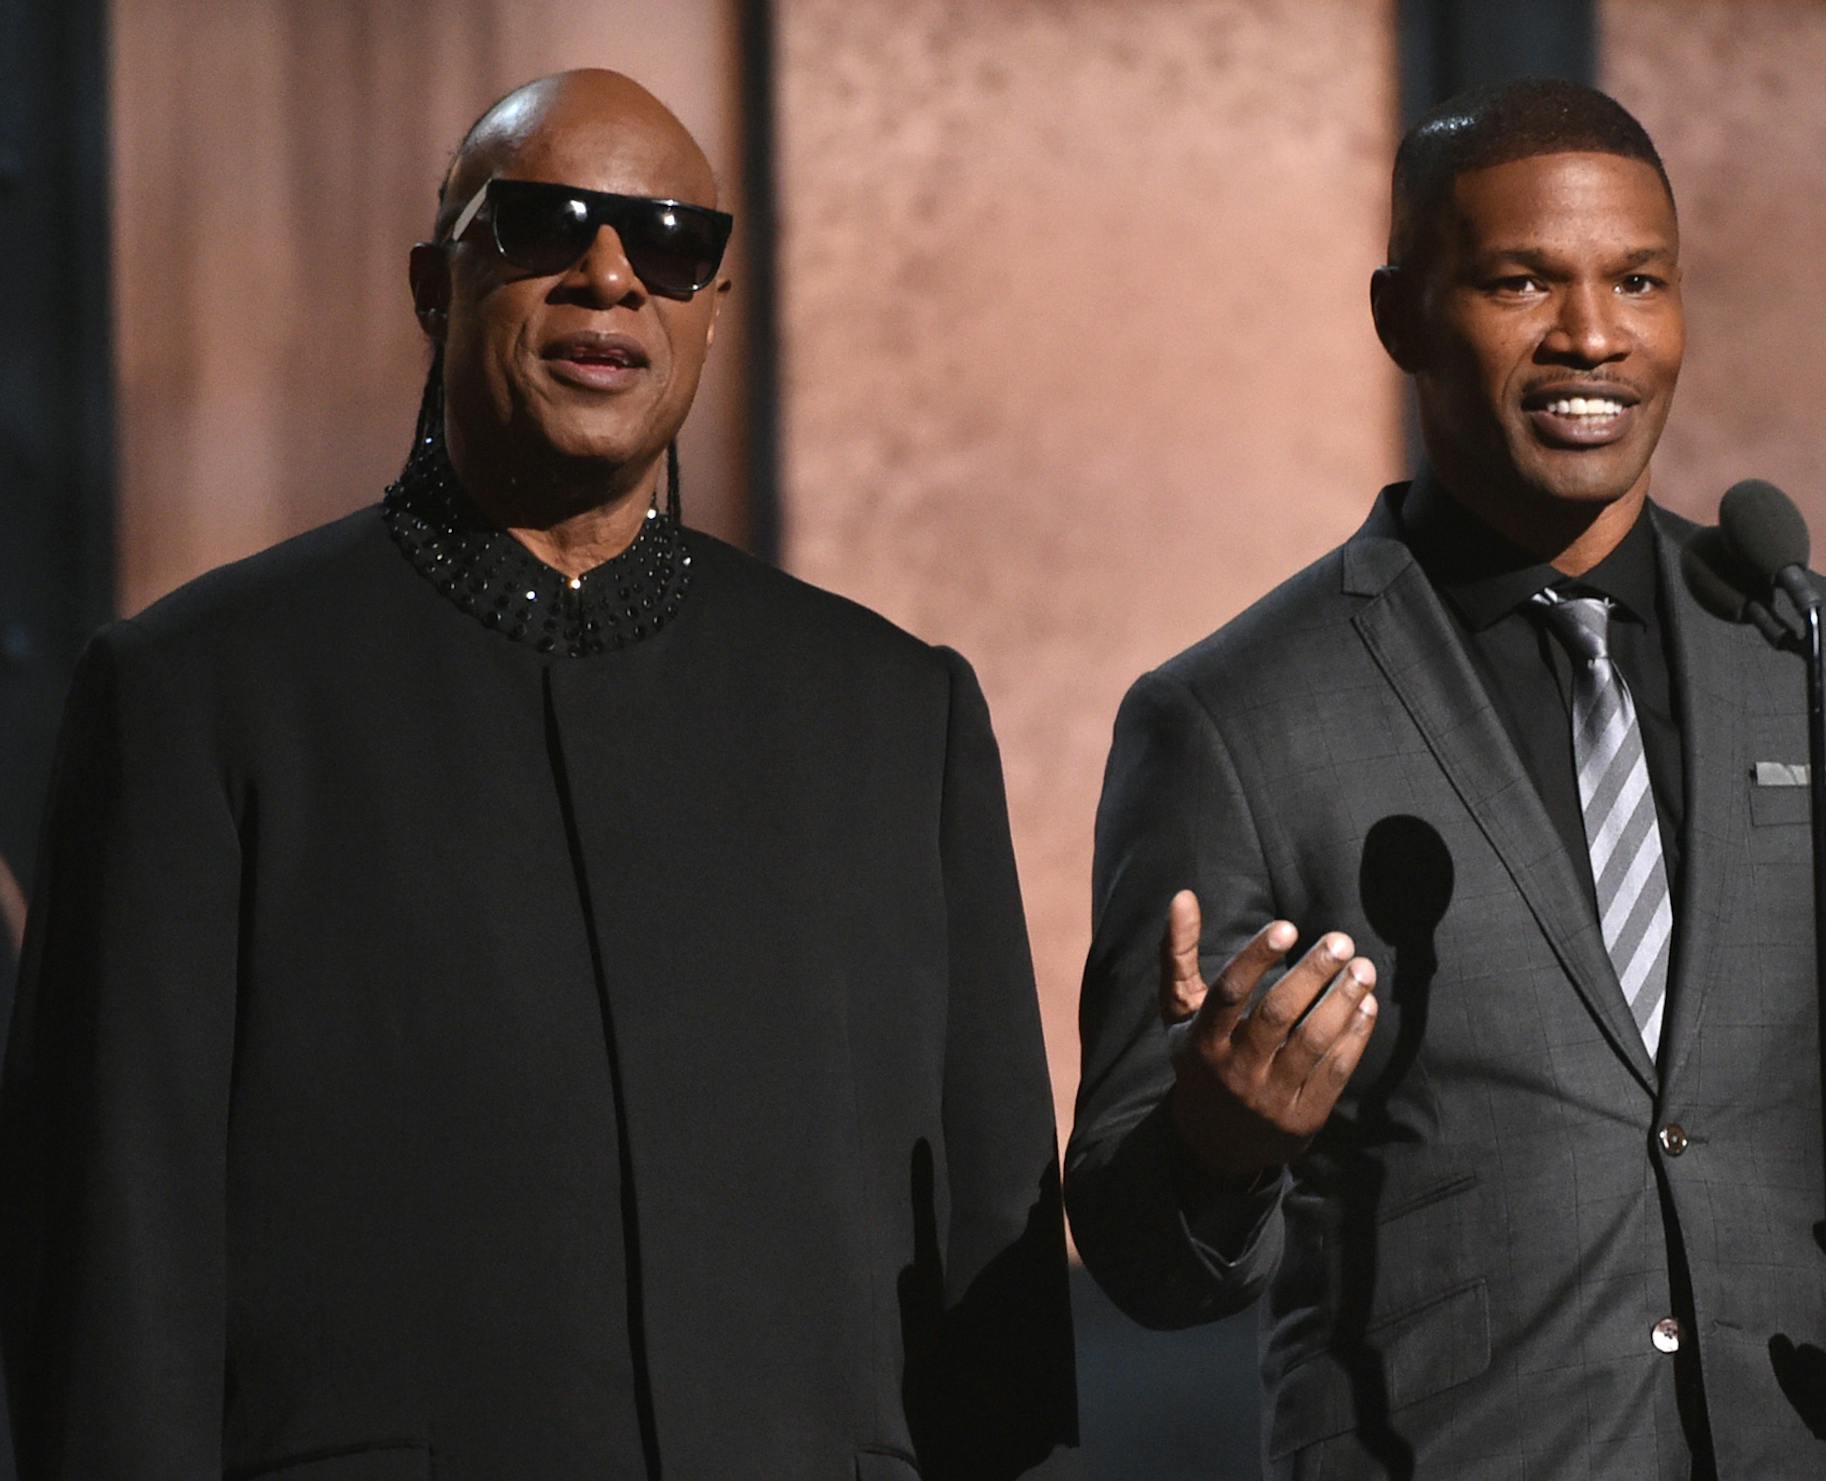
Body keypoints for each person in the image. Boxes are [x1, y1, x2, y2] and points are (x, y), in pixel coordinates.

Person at [1, 70, 1078, 1480]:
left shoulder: (896, 713)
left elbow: (994, 1283)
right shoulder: (197, 696)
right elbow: (113, 1292)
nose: (614, 276)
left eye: (672, 243)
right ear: (432, 285)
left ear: (710, 307)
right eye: (545, 224)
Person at [1064, 79, 1826, 1480]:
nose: (1593, 336)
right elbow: (1147, 1256)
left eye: (1640, 281)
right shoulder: (1231, 716)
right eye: (1522, 281)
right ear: (1400, 317)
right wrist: (1218, 1141)